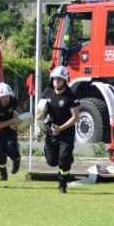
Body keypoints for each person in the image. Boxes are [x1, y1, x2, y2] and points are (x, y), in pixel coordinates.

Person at [36, 66, 80, 194]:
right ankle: (67, 157)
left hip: (66, 132)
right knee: (51, 161)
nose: (56, 81)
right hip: (51, 131)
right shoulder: (47, 93)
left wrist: (61, 128)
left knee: (63, 159)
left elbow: (75, 117)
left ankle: (62, 183)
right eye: (55, 79)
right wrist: (39, 123)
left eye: (59, 79)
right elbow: (41, 112)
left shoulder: (70, 96)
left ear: (65, 81)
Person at [0, 82, 22, 181]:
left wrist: (22, 120)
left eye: (7, 96)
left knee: (12, 150)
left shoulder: (13, 100)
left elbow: (20, 112)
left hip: (10, 129)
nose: (6, 98)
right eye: (3, 97)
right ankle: (3, 173)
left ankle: (16, 159)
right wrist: (12, 121)